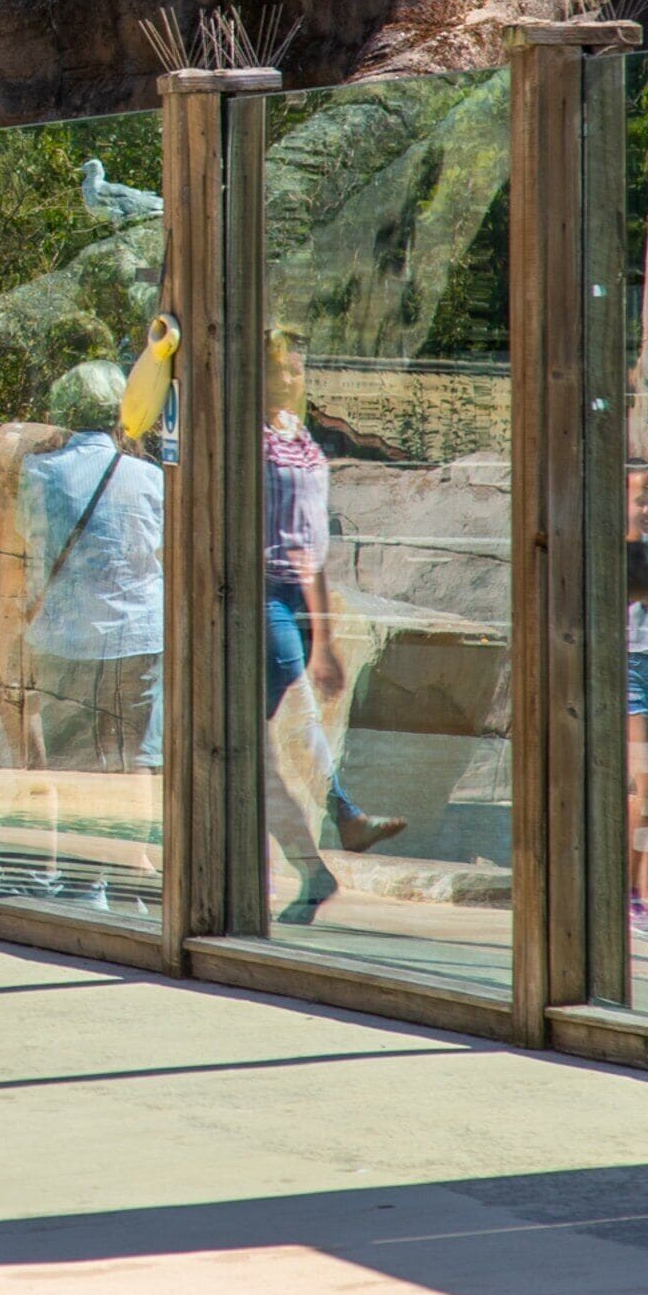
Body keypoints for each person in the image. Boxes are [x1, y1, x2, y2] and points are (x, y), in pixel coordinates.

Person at [262, 328, 406, 926]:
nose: (289, 377)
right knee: (271, 743)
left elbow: (311, 547)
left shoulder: (301, 444)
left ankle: (326, 847)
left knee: (271, 743)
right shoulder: (256, 440)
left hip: (288, 591)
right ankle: (333, 834)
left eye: (296, 368)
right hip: (262, 589)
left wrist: (322, 636)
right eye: (279, 368)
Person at [21, 362, 164, 776]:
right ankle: (139, 820)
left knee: (70, 761)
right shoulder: (150, 477)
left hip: (64, 640)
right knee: (137, 758)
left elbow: (22, 540)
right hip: (137, 635)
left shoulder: (39, 472)